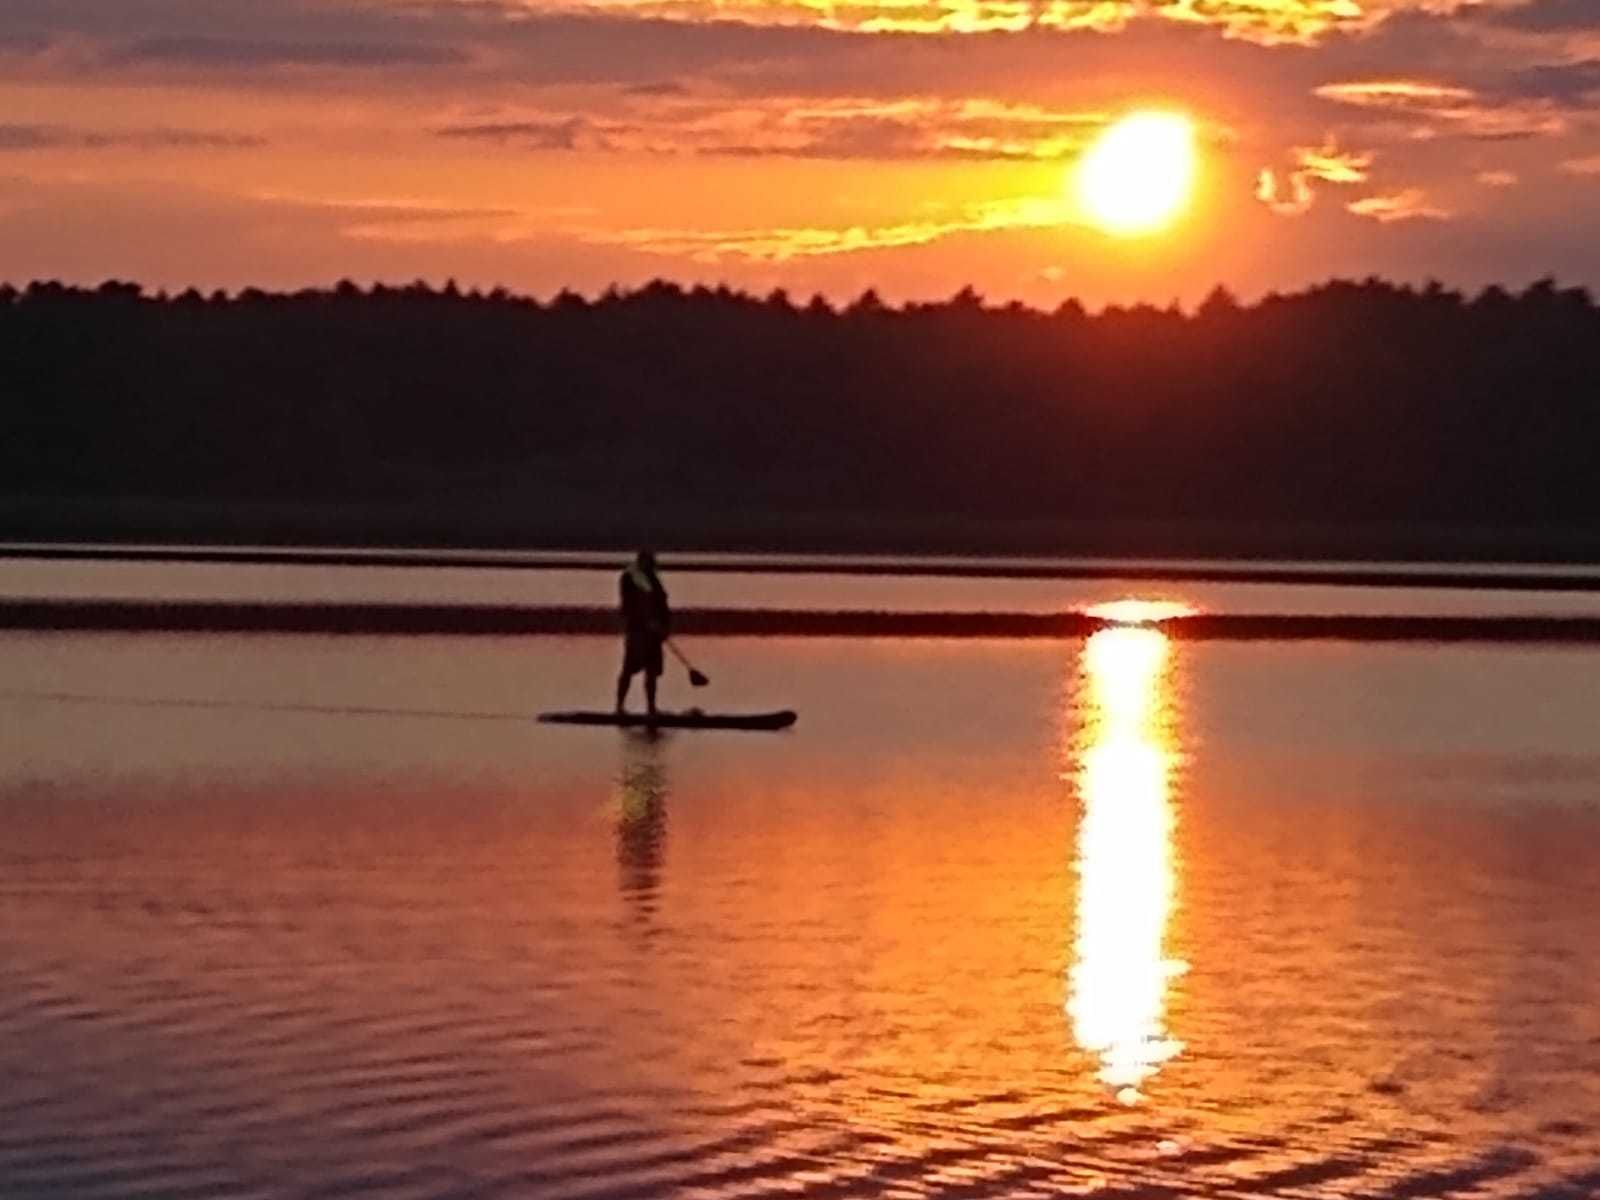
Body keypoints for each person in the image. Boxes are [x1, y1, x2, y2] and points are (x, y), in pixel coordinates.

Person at [616, 549, 670, 717]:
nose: (652, 566)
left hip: (654, 634)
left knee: (652, 671)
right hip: (637, 632)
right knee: (628, 669)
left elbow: (662, 605)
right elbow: (628, 606)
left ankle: (651, 708)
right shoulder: (630, 578)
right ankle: (619, 707)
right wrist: (644, 620)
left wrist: (664, 627)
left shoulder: (653, 580)